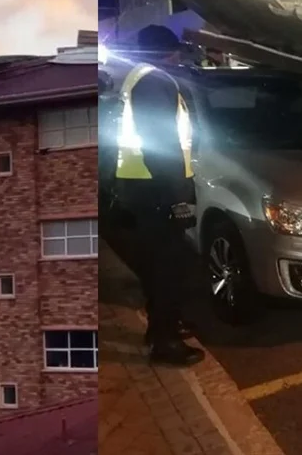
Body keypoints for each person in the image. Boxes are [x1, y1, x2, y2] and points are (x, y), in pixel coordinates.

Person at [115, 24, 204, 367]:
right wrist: (178, 197)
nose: (180, 57)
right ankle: (164, 343)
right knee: (169, 267)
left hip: (142, 186)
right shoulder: (154, 81)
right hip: (155, 189)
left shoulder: (139, 77)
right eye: (177, 51)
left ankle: (161, 327)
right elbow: (162, 144)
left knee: (159, 264)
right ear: (169, 53)